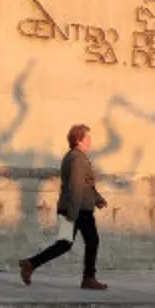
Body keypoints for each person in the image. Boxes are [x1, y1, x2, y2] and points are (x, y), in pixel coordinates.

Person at [18, 123, 108, 290]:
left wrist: (97, 198)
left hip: (73, 208)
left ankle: (31, 263)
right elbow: (76, 186)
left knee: (64, 244)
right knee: (91, 241)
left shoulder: (75, 156)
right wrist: (72, 215)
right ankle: (88, 278)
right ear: (78, 140)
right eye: (87, 138)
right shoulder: (77, 159)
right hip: (78, 210)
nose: (90, 142)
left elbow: (85, 184)